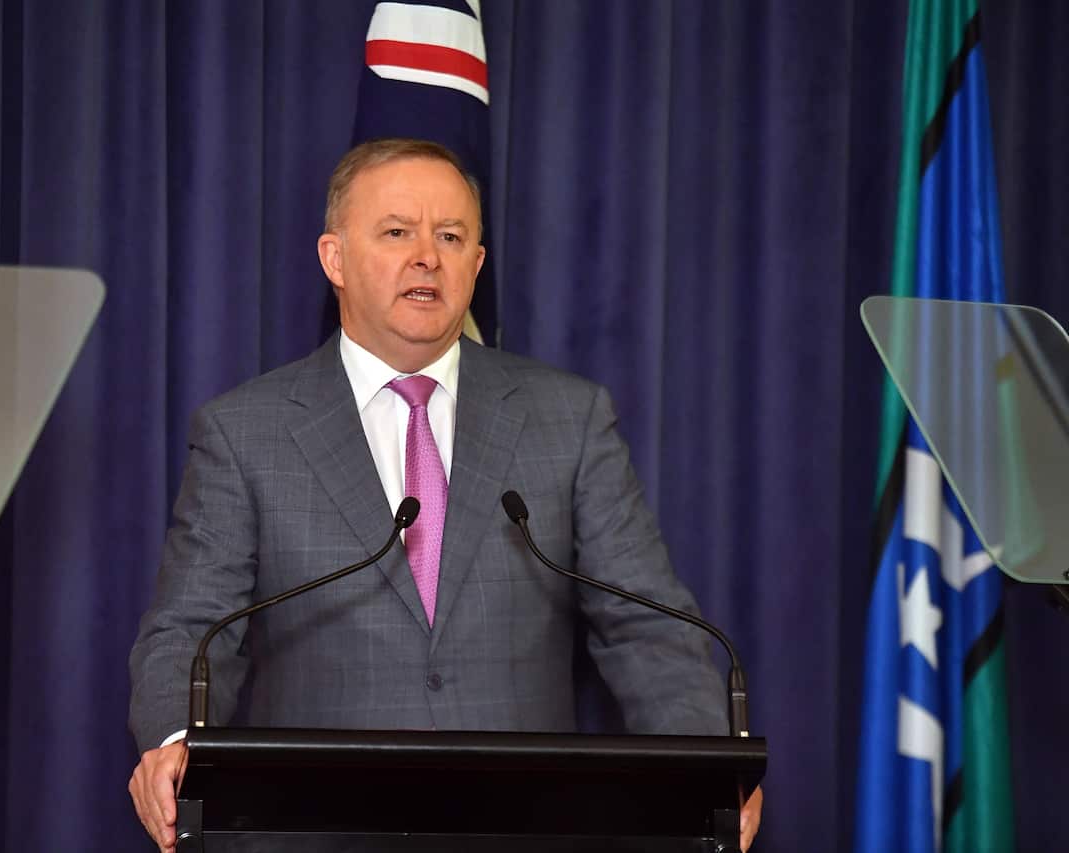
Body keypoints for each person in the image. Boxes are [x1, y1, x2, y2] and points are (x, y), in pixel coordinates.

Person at [128, 138, 763, 851]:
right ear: (334, 258)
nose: (427, 256)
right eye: (397, 231)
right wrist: (176, 741)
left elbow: (649, 629)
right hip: (312, 830)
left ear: (477, 264)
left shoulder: (568, 420)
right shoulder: (246, 431)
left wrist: (710, 760)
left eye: (451, 236)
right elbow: (189, 629)